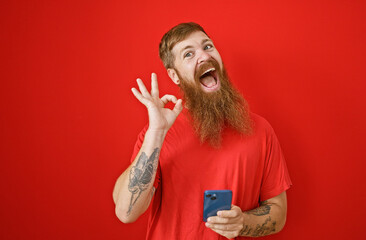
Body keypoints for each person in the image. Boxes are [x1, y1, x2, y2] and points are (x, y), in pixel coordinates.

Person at [113, 22, 292, 239]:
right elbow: (126, 212)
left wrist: (243, 222)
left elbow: (278, 213)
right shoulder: (156, 136)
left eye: (208, 47)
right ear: (174, 76)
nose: (204, 56)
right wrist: (156, 132)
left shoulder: (261, 130)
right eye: (188, 54)